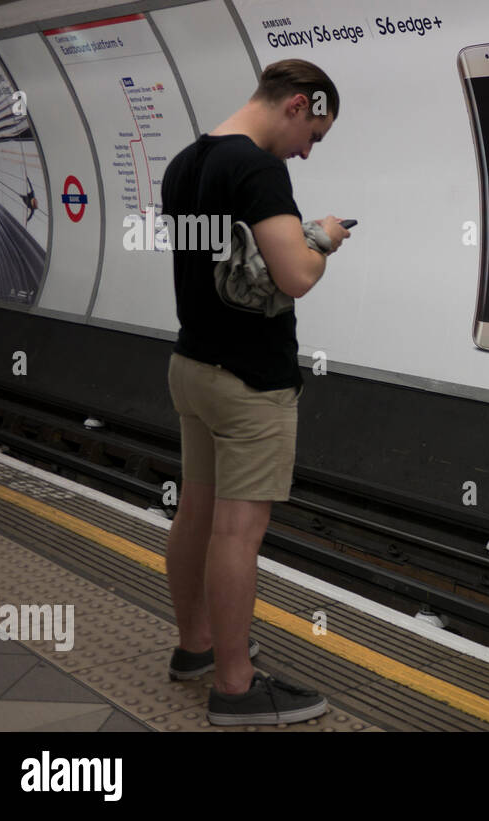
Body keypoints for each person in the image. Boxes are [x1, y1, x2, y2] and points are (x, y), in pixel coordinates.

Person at [160, 59, 350, 725]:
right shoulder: (258, 169)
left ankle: (197, 646)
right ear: (298, 104)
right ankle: (236, 687)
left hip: (193, 365)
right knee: (238, 534)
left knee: (195, 515)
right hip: (250, 382)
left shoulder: (185, 163)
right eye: (314, 134)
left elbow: (225, 265)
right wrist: (323, 238)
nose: (306, 149)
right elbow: (293, 274)